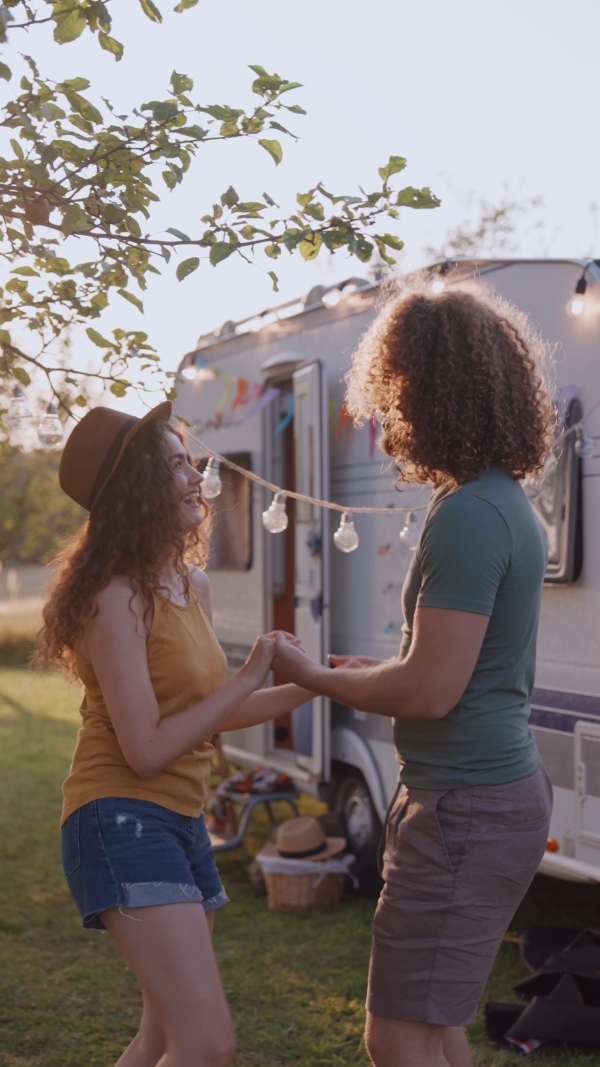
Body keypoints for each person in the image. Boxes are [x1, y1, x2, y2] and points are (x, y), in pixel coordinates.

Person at [272, 285, 555, 1067]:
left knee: (396, 1034)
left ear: (433, 389)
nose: (388, 409)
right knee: (432, 1026)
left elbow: (433, 691)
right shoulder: (492, 499)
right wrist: (380, 670)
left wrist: (315, 676)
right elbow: (444, 666)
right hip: (477, 796)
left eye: (396, 388)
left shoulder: (471, 512)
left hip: (466, 806)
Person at [35, 401, 313, 1067]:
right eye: (175, 465)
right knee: (207, 1042)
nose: (196, 475)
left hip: (181, 818)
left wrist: (321, 682)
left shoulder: (191, 585)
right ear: (136, 490)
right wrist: (247, 677)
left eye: (190, 458)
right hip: (120, 817)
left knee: (163, 1037)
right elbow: (148, 747)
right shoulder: (113, 597)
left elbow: (206, 712)